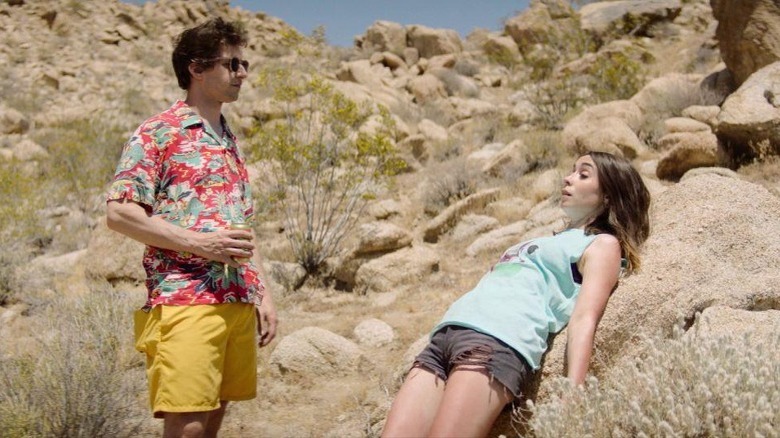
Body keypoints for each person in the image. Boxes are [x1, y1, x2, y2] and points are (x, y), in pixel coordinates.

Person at [382, 151, 651, 438]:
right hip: (445, 338)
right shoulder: (549, 240)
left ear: (608, 196)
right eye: (572, 171)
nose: (568, 178)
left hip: (495, 342)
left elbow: (585, 318)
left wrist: (573, 393)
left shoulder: (603, 244)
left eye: (583, 174)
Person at [106, 17, 277, 438]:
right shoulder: (158, 132)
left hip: (236, 297)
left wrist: (264, 294)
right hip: (185, 297)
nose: (241, 73)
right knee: (189, 423)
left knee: (216, 410)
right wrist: (202, 243)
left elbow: (240, 226)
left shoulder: (228, 139)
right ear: (196, 69)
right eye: (231, 64)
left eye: (244, 63)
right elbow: (120, 212)